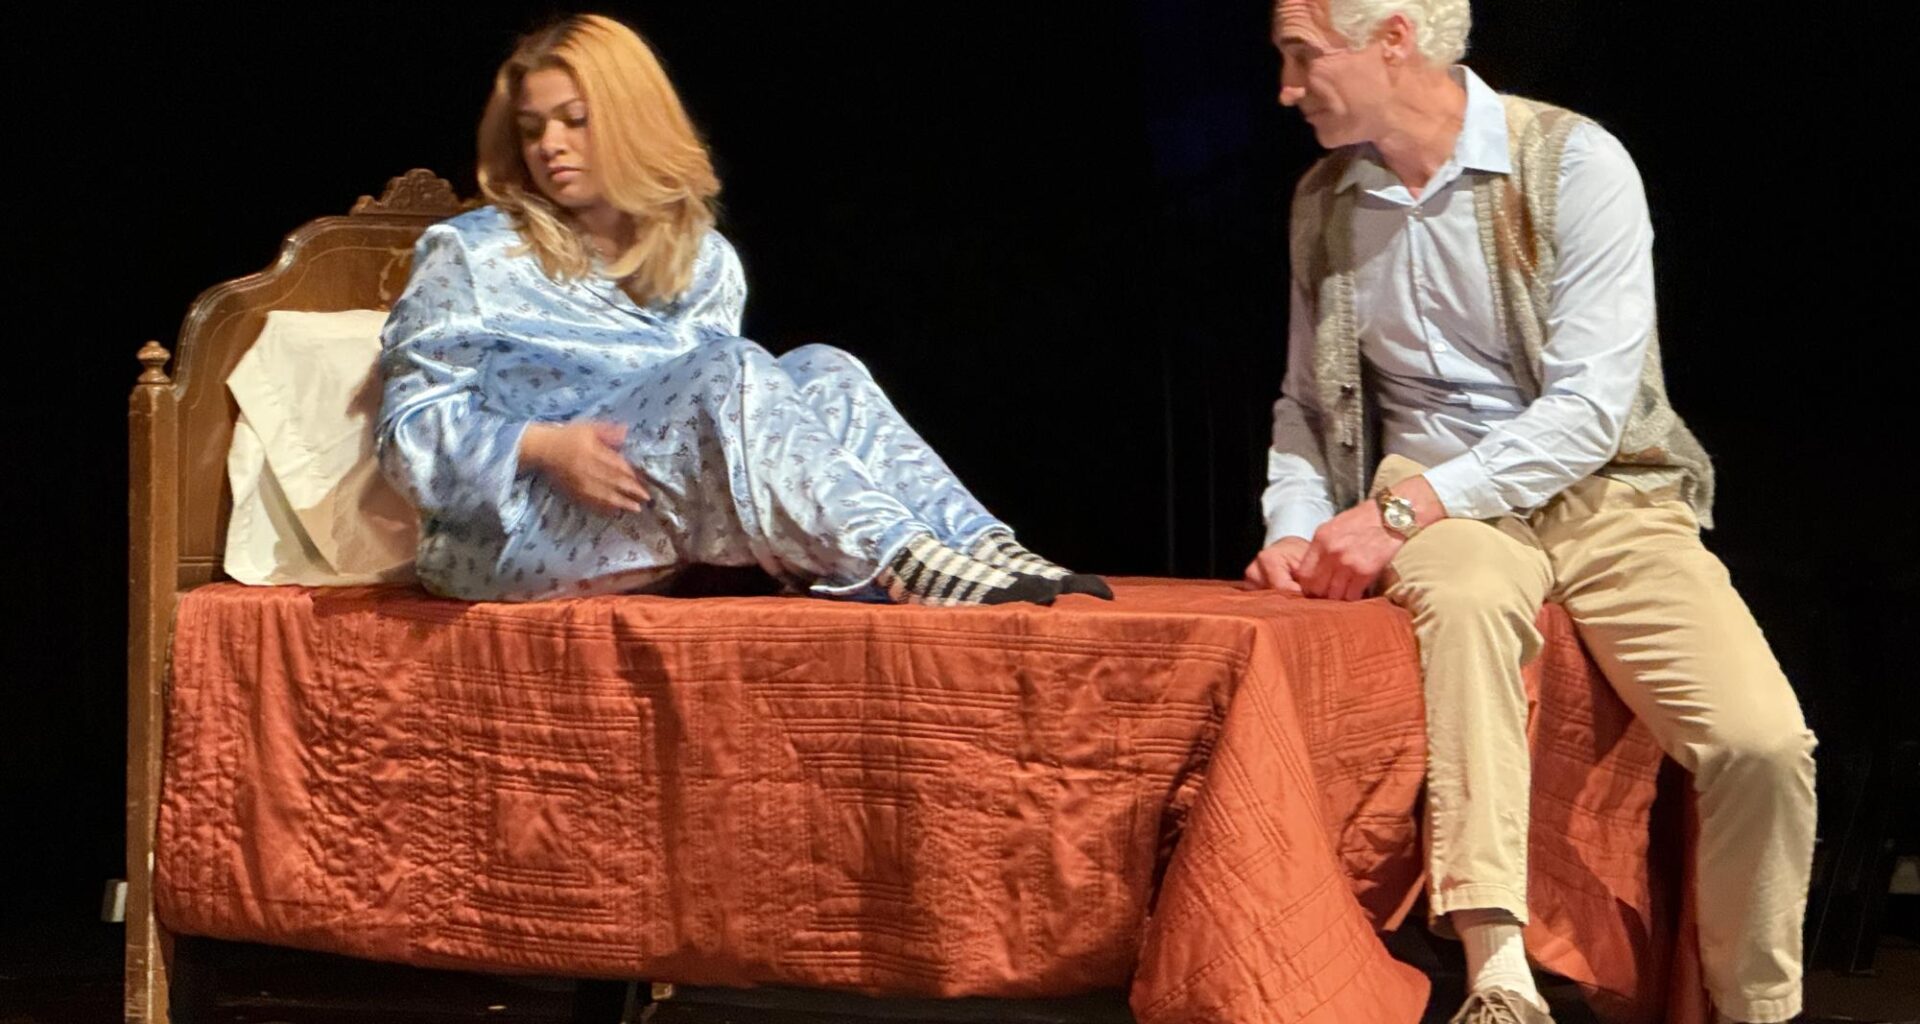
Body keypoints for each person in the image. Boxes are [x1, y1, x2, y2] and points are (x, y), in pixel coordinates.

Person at [1244, 2, 1816, 1020]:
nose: (1286, 90)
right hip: (1436, 500)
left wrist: (1402, 512)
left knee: (1762, 744)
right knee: (1467, 602)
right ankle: (1498, 971)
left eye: (1303, 57)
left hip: (1605, 492)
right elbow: (1307, 404)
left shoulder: (1570, 162)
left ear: (1393, 41)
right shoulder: (1326, 199)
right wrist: (1294, 523)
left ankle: (1757, 1007)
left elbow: (1589, 412)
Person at [377, 14, 1108, 607]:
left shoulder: (703, 259)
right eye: (533, 128)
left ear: (632, 122)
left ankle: (975, 541)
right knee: (727, 367)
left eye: (576, 120)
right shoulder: (474, 253)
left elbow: (729, 433)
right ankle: (900, 560)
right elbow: (407, 433)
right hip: (517, 529)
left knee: (823, 368)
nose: (551, 147)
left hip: (651, 518)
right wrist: (542, 446)